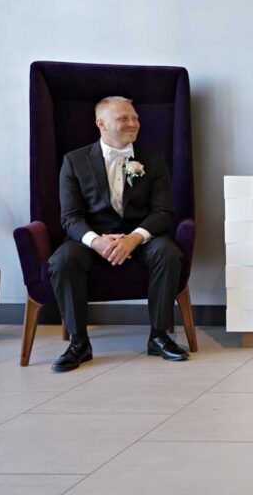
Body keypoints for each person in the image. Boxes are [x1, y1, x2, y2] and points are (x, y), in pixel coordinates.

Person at [48, 96, 189, 372]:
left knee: (168, 252)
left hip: (140, 237)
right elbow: (70, 217)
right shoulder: (74, 161)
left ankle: (159, 337)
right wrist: (96, 241)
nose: (133, 123)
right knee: (62, 260)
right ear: (101, 123)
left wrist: (134, 238)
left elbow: (162, 212)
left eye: (135, 117)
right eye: (124, 118)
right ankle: (79, 343)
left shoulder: (154, 159)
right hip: (91, 239)